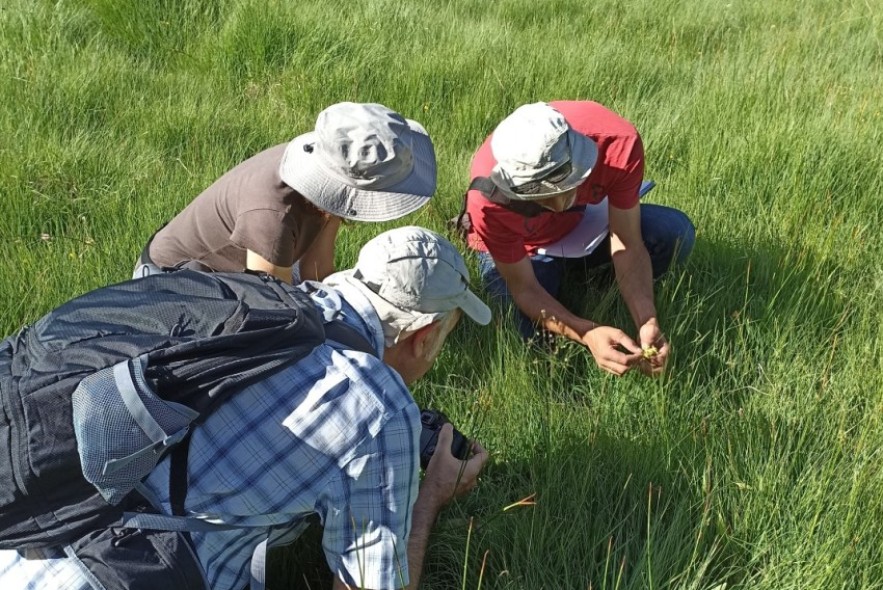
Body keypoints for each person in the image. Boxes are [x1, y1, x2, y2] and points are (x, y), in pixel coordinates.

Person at [2, 226, 491, 590]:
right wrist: (431, 496)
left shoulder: (250, 301)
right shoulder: (377, 407)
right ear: (424, 337)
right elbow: (370, 585)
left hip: (29, 520)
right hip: (127, 573)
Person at [461, 101, 695, 376]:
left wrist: (647, 318)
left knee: (674, 232)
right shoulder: (486, 198)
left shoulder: (617, 144)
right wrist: (587, 333)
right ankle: (571, 282)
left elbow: (628, 243)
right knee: (518, 328)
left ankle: (585, 279)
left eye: (569, 183)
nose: (560, 203)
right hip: (524, 251)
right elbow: (524, 288)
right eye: (539, 196)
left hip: (584, 226)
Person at [134, 102, 437, 283]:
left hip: (252, 264)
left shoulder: (327, 169)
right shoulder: (273, 216)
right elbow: (272, 310)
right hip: (176, 280)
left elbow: (316, 269)